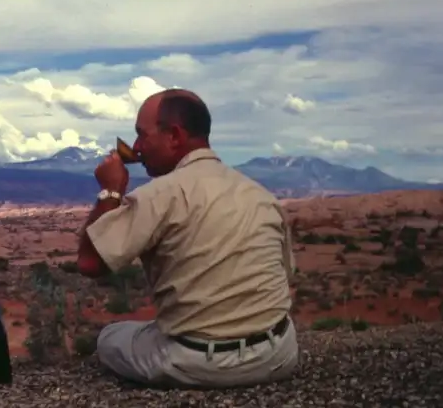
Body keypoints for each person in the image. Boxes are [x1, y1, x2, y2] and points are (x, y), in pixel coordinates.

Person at [76, 89, 299, 389]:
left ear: (175, 136)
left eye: (142, 135)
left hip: (197, 362)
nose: (138, 147)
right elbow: (285, 275)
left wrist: (110, 190)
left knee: (110, 337)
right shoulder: (260, 195)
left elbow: (90, 262)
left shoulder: (159, 195)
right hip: (278, 354)